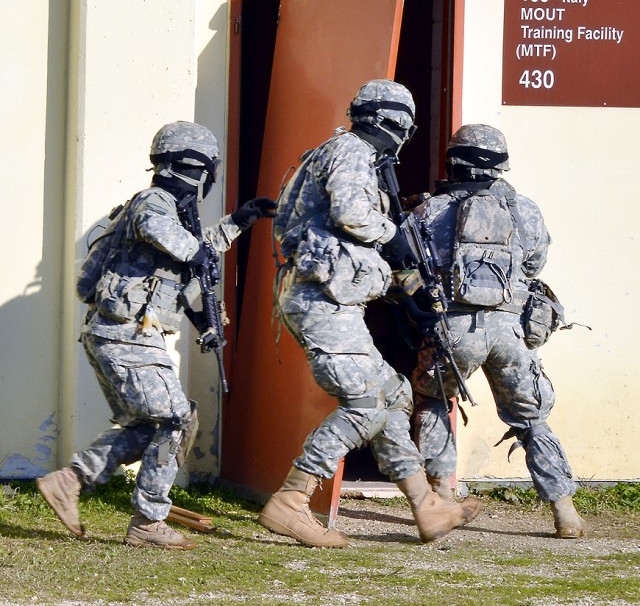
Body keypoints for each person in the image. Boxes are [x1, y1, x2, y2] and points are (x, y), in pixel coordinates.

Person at [257, 80, 481, 548]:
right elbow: (353, 217)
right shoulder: (355, 151)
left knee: (393, 394)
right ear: (395, 122)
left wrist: (399, 285)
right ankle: (291, 501)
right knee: (364, 402)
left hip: (330, 300)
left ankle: (426, 505)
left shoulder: (339, 152)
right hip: (322, 304)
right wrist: (395, 239)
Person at [36, 121, 276, 549]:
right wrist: (213, 243)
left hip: (123, 336)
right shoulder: (153, 203)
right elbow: (184, 247)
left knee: (151, 425)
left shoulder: (167, 207)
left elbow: (185, 263)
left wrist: (238, 222)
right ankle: (146, 521)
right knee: (177, 419)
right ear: (197, 167)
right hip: (125, 336)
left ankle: (71, 483)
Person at [410, 123, 586, 539]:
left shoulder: (430, 210)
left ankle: (442, 497)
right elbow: (533, 263)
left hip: (454, 330)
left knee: (433, 399)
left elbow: (412, 263)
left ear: (454, 161)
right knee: (532, 419)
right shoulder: (524, 209)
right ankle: (566, 513)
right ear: (501, 165)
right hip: (513, 330)